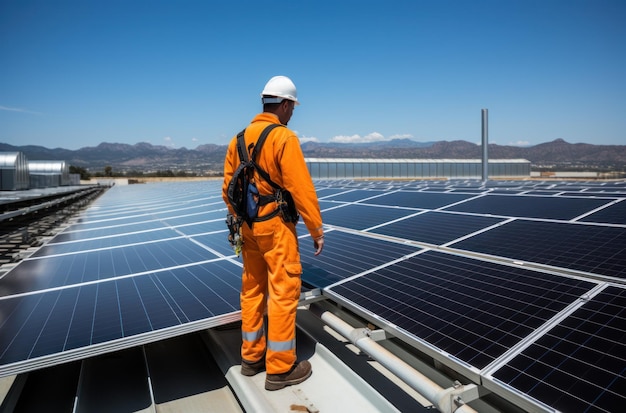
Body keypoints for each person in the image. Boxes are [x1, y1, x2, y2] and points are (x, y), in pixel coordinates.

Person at [222, 75, 325, 391]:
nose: (292, 112)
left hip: (248, 227)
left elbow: (228, 189)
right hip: (276, 228)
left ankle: (251, 358)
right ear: (283, 104)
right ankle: (280, 368)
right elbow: (301, 187)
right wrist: (316, 229)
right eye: (292, 107)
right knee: (283, 289)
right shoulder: (284, 138)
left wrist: (239, 221)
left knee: (252, 289)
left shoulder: (238, 139)